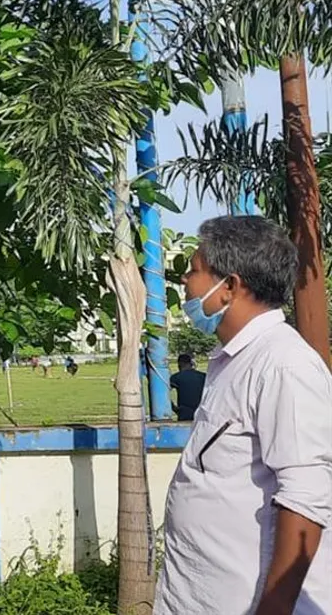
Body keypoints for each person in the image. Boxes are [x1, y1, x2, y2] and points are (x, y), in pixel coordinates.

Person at [157, 216, 332, 615]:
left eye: (196, 270)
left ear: (229, 288)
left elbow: (305, 500)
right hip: (209, 597)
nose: (185, 281)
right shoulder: (235, 360)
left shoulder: (284, 366)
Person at [169, 353, 206, 422]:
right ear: (190, 363)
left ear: (179, 364)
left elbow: (163, 394)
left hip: (184, 413)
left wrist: (174, 407)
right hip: (202, 413)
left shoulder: (176, 377)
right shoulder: (203, 376)